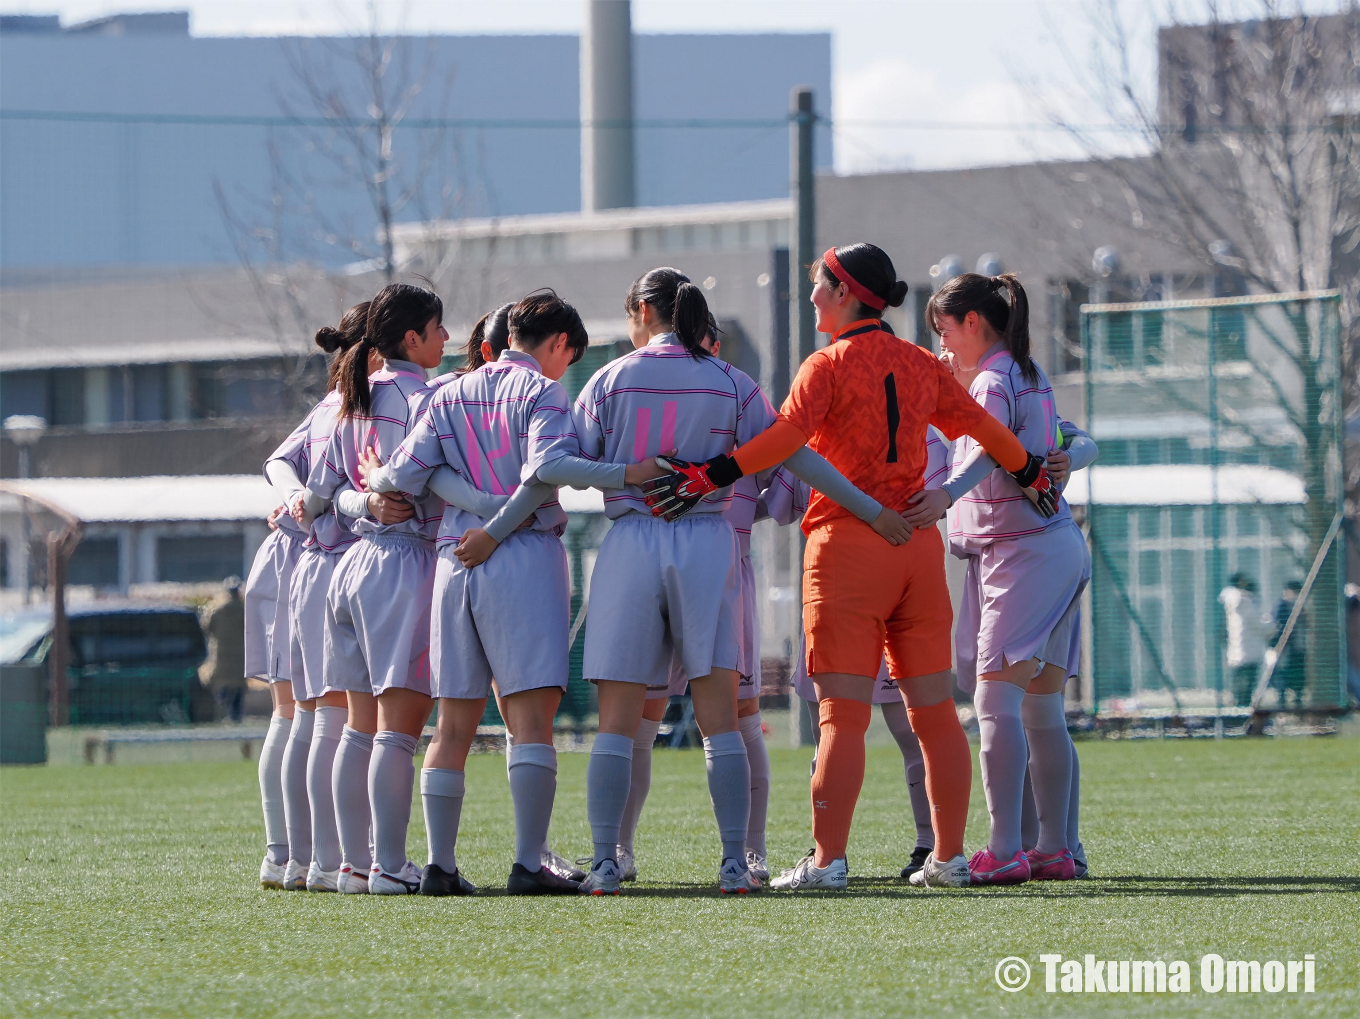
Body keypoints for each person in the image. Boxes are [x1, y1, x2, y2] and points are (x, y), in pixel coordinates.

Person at [642, 243, 1050, 891]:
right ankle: (948, 857)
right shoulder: (921, 362)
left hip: (845, 546)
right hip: (917, 545)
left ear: (848, 292)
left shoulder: (826, 363)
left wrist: (707, 474)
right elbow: (989, 432)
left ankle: (827, 860)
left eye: (820, 285)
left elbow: (783, 440)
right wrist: (1030, 473)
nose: (812, 298)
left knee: (842, 715)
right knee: (937, 712)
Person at [574, 267, 905, 895]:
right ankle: (735, 863)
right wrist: (868, 508)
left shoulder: (610, 377)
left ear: (647, 312)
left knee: (618, 722)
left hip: (631, 542)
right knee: (722, 717)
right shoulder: (732, 382)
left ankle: (605, 863)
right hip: (709, 542)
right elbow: (794, 456)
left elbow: (576, 462)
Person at [363, 289, 657, 895]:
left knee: (452, 725)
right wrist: (628, 473)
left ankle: (440, 867)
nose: (564, 369)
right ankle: (528, 862)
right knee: (529, 720)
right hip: (519, 557)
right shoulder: (544, 392)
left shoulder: (446, 391)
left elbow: (405, 474)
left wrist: (380, 479)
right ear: (557, 345)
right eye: (567, 356)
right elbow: (548, 469)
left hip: (452, 561)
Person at [913, 272, 1092, 886]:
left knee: (994, 701)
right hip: (1053, 544)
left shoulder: (993, 378)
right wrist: (1072, 457)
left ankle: (1006, 848)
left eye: (945, 329)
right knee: (1042, 710)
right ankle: (1055, 848)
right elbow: (1082, 439)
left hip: (1022, 550)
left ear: (972, 324)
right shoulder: (1027, 373)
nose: (943, 344)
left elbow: (987, 448)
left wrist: (943, 497)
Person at [306, 282, 448, 896]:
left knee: (358, 727)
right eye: (439, 328)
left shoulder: (349, 398)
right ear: (411, 338)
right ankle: (391, 865)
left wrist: (360, 500)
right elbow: (439, 480)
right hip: (404, 565)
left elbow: (320, 492)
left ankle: (354, 864)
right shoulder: (427, 398)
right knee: (398, 728)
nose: (447, 338)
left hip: (353, 564)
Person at [1219, 572, 1269, 706]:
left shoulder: (1230, 601)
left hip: (1237, 649)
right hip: (1249, 649)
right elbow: (1258, 623)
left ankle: (1238, 705)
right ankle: (1243, 707)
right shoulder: (1243, 601)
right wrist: (1271, 625)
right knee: (1247, 682)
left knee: (1238, 680)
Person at [201, 577, 246, 722]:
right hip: (240, 655)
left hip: (221, 653)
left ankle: (222, 713)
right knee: (238, 685)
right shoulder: (243, 610)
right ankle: (235, 715)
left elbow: (207, 627)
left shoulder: (217, 610)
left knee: (222, 684)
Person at [1271, 579, 1307, 708]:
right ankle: (1282, 697)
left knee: (1298, 672)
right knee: (1283, 672)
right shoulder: (1281, 605)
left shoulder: (1301, 606)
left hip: (1298, 646)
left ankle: (1298, 695)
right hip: (1285, 647)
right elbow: (1277, 625)